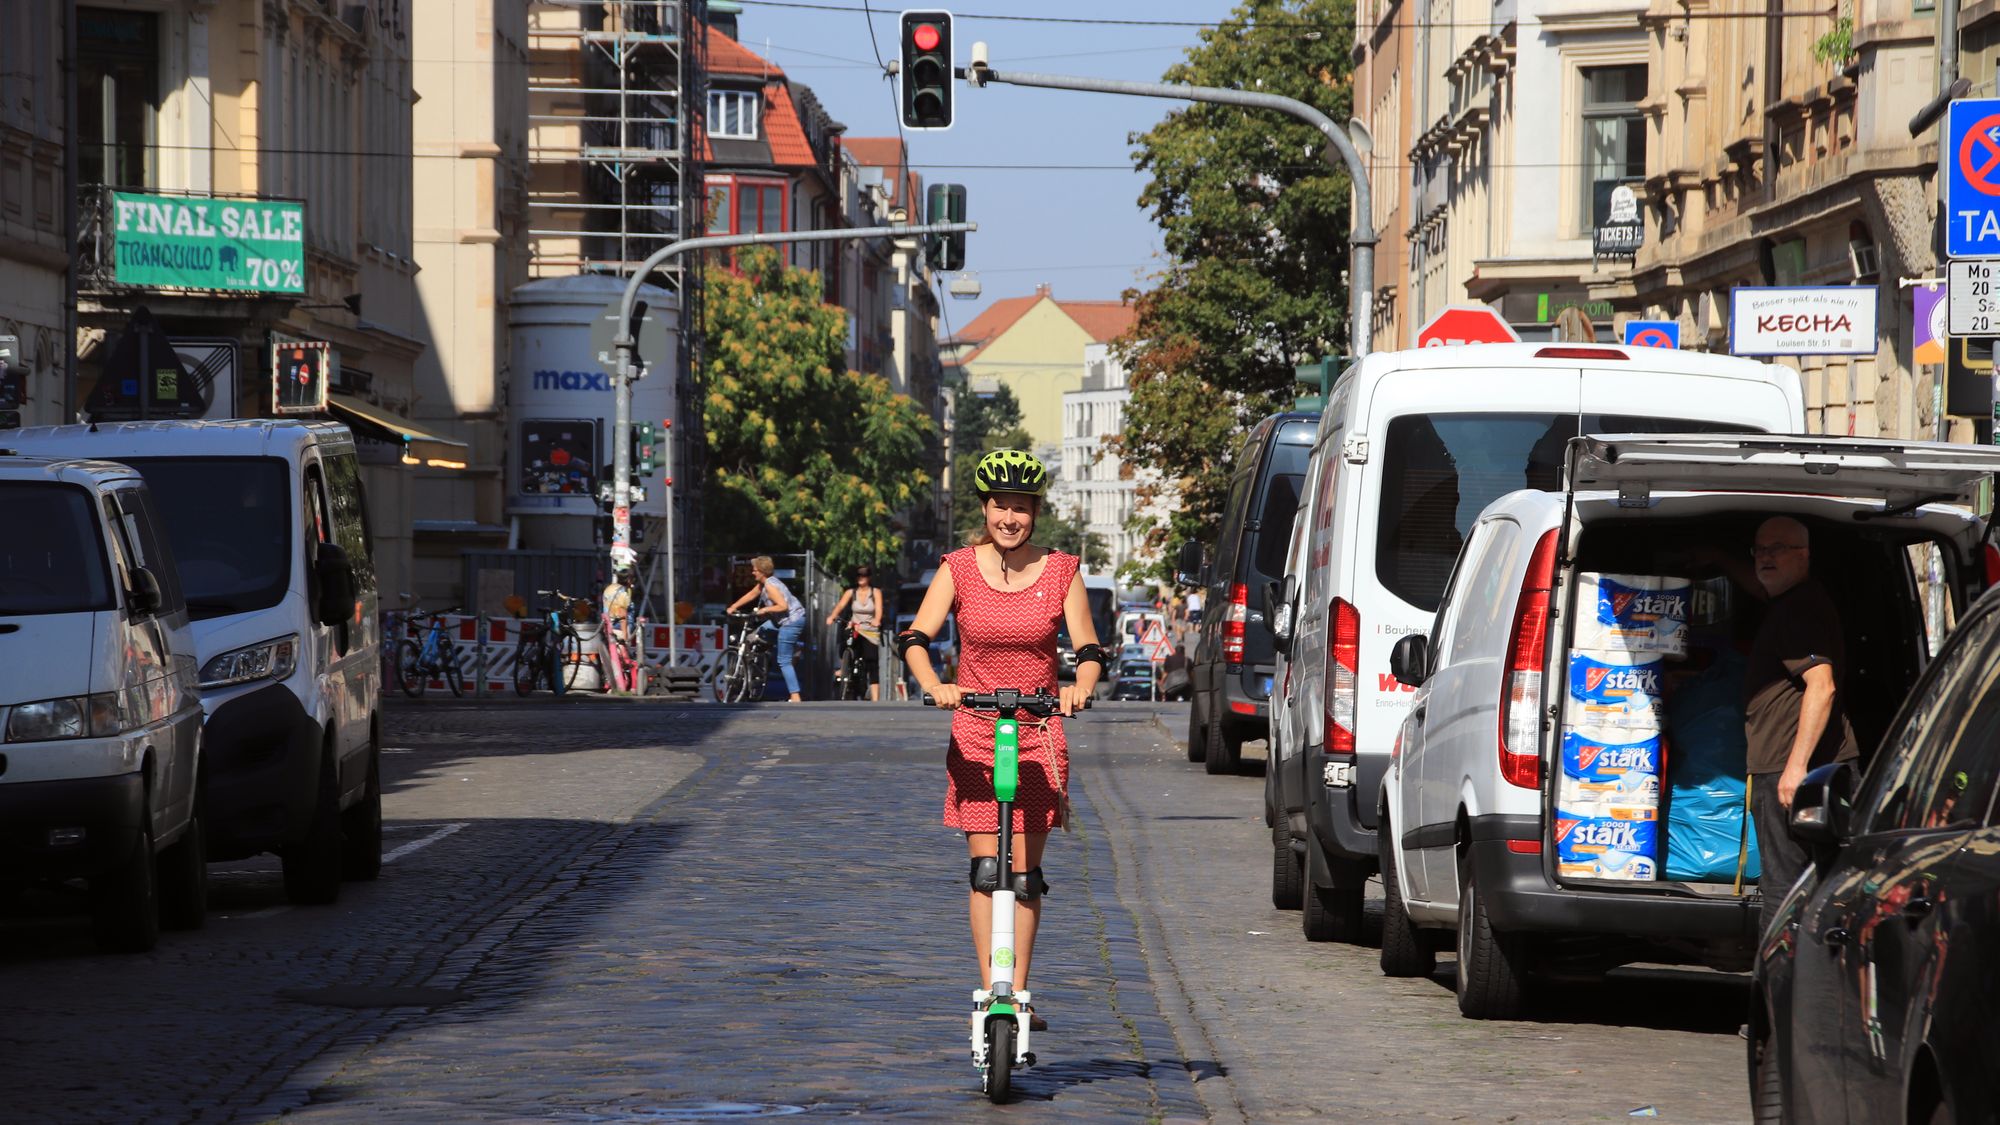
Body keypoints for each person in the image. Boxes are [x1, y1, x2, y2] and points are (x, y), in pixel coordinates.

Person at [900, 449, 1105, 1034]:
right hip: (975, 726)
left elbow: (1088, 648)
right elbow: (916, 635)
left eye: (1020, 507)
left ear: (1034, 512)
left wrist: (1079, 687)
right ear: (985, 509)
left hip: (1038, 729)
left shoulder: (1062, 570)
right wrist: (934, 683)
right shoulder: (958, 568)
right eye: (1000, 507)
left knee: (1024, 875)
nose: (1009, 518)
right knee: (987, 869)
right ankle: (990, 985)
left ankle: (1016, 991)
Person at [1707, 517, 1859, 934]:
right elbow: (1760, 584)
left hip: (1794, 771)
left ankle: (1780, 987)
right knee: (1807, 880)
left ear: (1804, 556)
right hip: (1789, 767)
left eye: (1779, 548)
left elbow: (1822, 687)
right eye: (1760, 550)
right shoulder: (1790, 600)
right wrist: (1719, 557)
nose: (1767, 557)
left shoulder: (1800, 611)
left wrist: (1796, 768)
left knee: (1784, 886)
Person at [726, 555, 806, 702]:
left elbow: (783, 606)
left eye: (755, 570)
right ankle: (761, 662)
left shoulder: (770, 586)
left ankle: (795, 696)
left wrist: (765, 610)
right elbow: (751, 594)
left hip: (791, 621)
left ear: (762, 571)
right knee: (755, 635)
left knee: (784, 661)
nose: (752, 572)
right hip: (780, 621)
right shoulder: (763, 584)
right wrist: (733, 607)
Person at [826, 563, 886, 700]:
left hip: (870, 629)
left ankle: (875, 697)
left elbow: (879, 609)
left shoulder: (875, 592)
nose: (861, 578)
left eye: (864, 575)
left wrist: (877, 620)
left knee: (872, 661)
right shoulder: (851, 593)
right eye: (859, 575)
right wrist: (832, 616)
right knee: (846, 638)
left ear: (869, 577)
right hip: (855, 627)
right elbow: (840, 605)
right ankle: (844, 666)